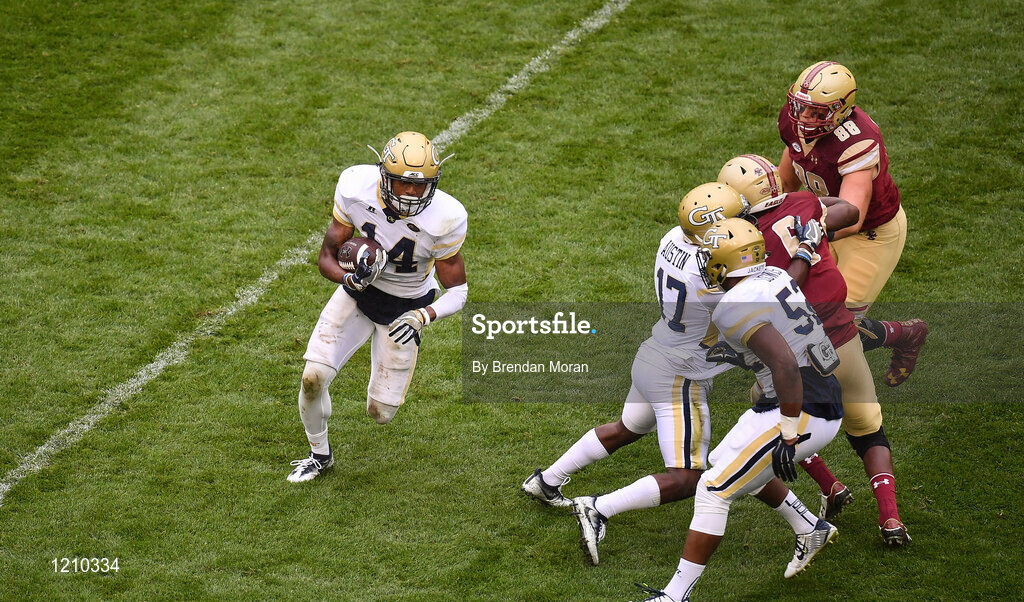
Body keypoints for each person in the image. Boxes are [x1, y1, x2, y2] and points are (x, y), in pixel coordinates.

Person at [521, 183, 749, 565]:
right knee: (688, 476)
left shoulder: (673, 238)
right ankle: (599, 507)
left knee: (629, 427)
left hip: (655, 353)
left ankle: (546, 481)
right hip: (682, 373)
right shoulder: (714, 278)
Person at [630, 218, 843, 602]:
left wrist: (789, 432)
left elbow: (785, 366)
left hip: (800, 407)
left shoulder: (732, 307)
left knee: (713, 490)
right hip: (810, 394)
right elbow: (791, 283)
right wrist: (805, 252)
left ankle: (675, 596)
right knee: (724, 462)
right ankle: (810, 526)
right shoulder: (775, 274)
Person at [719, 154, 911, 545]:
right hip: (841, 339)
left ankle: (830, 485)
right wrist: (816, 229)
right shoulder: (805, 203)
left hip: (797, 354)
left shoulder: (743, 241)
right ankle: (890, 519)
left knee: (775, 416)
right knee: (868, 430)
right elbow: (849, 209)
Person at [287, 131, 469, 483]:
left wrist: (423, 316)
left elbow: (458, 291)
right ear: (384, 176)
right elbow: (326, 257)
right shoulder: (355, 187)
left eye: (421, 185)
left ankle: (381, 390)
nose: (412, 194)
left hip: (407, 308)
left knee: (380, 413)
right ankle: (319, 455)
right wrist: (348, 279)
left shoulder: (446, 217)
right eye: (402, 183)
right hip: (359, 294)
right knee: (313, 378)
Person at [777, 61, 927, 387]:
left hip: (870, 234)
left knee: (835, 328)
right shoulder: (795, 123)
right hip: (822, 221)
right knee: (795, 311)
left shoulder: (857, 142)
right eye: (801, 108)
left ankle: (906, 335)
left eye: (816, 113)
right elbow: (786, 180)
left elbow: (851, 216)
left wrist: (803, 232)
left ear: (841, 110)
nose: (803, 118)